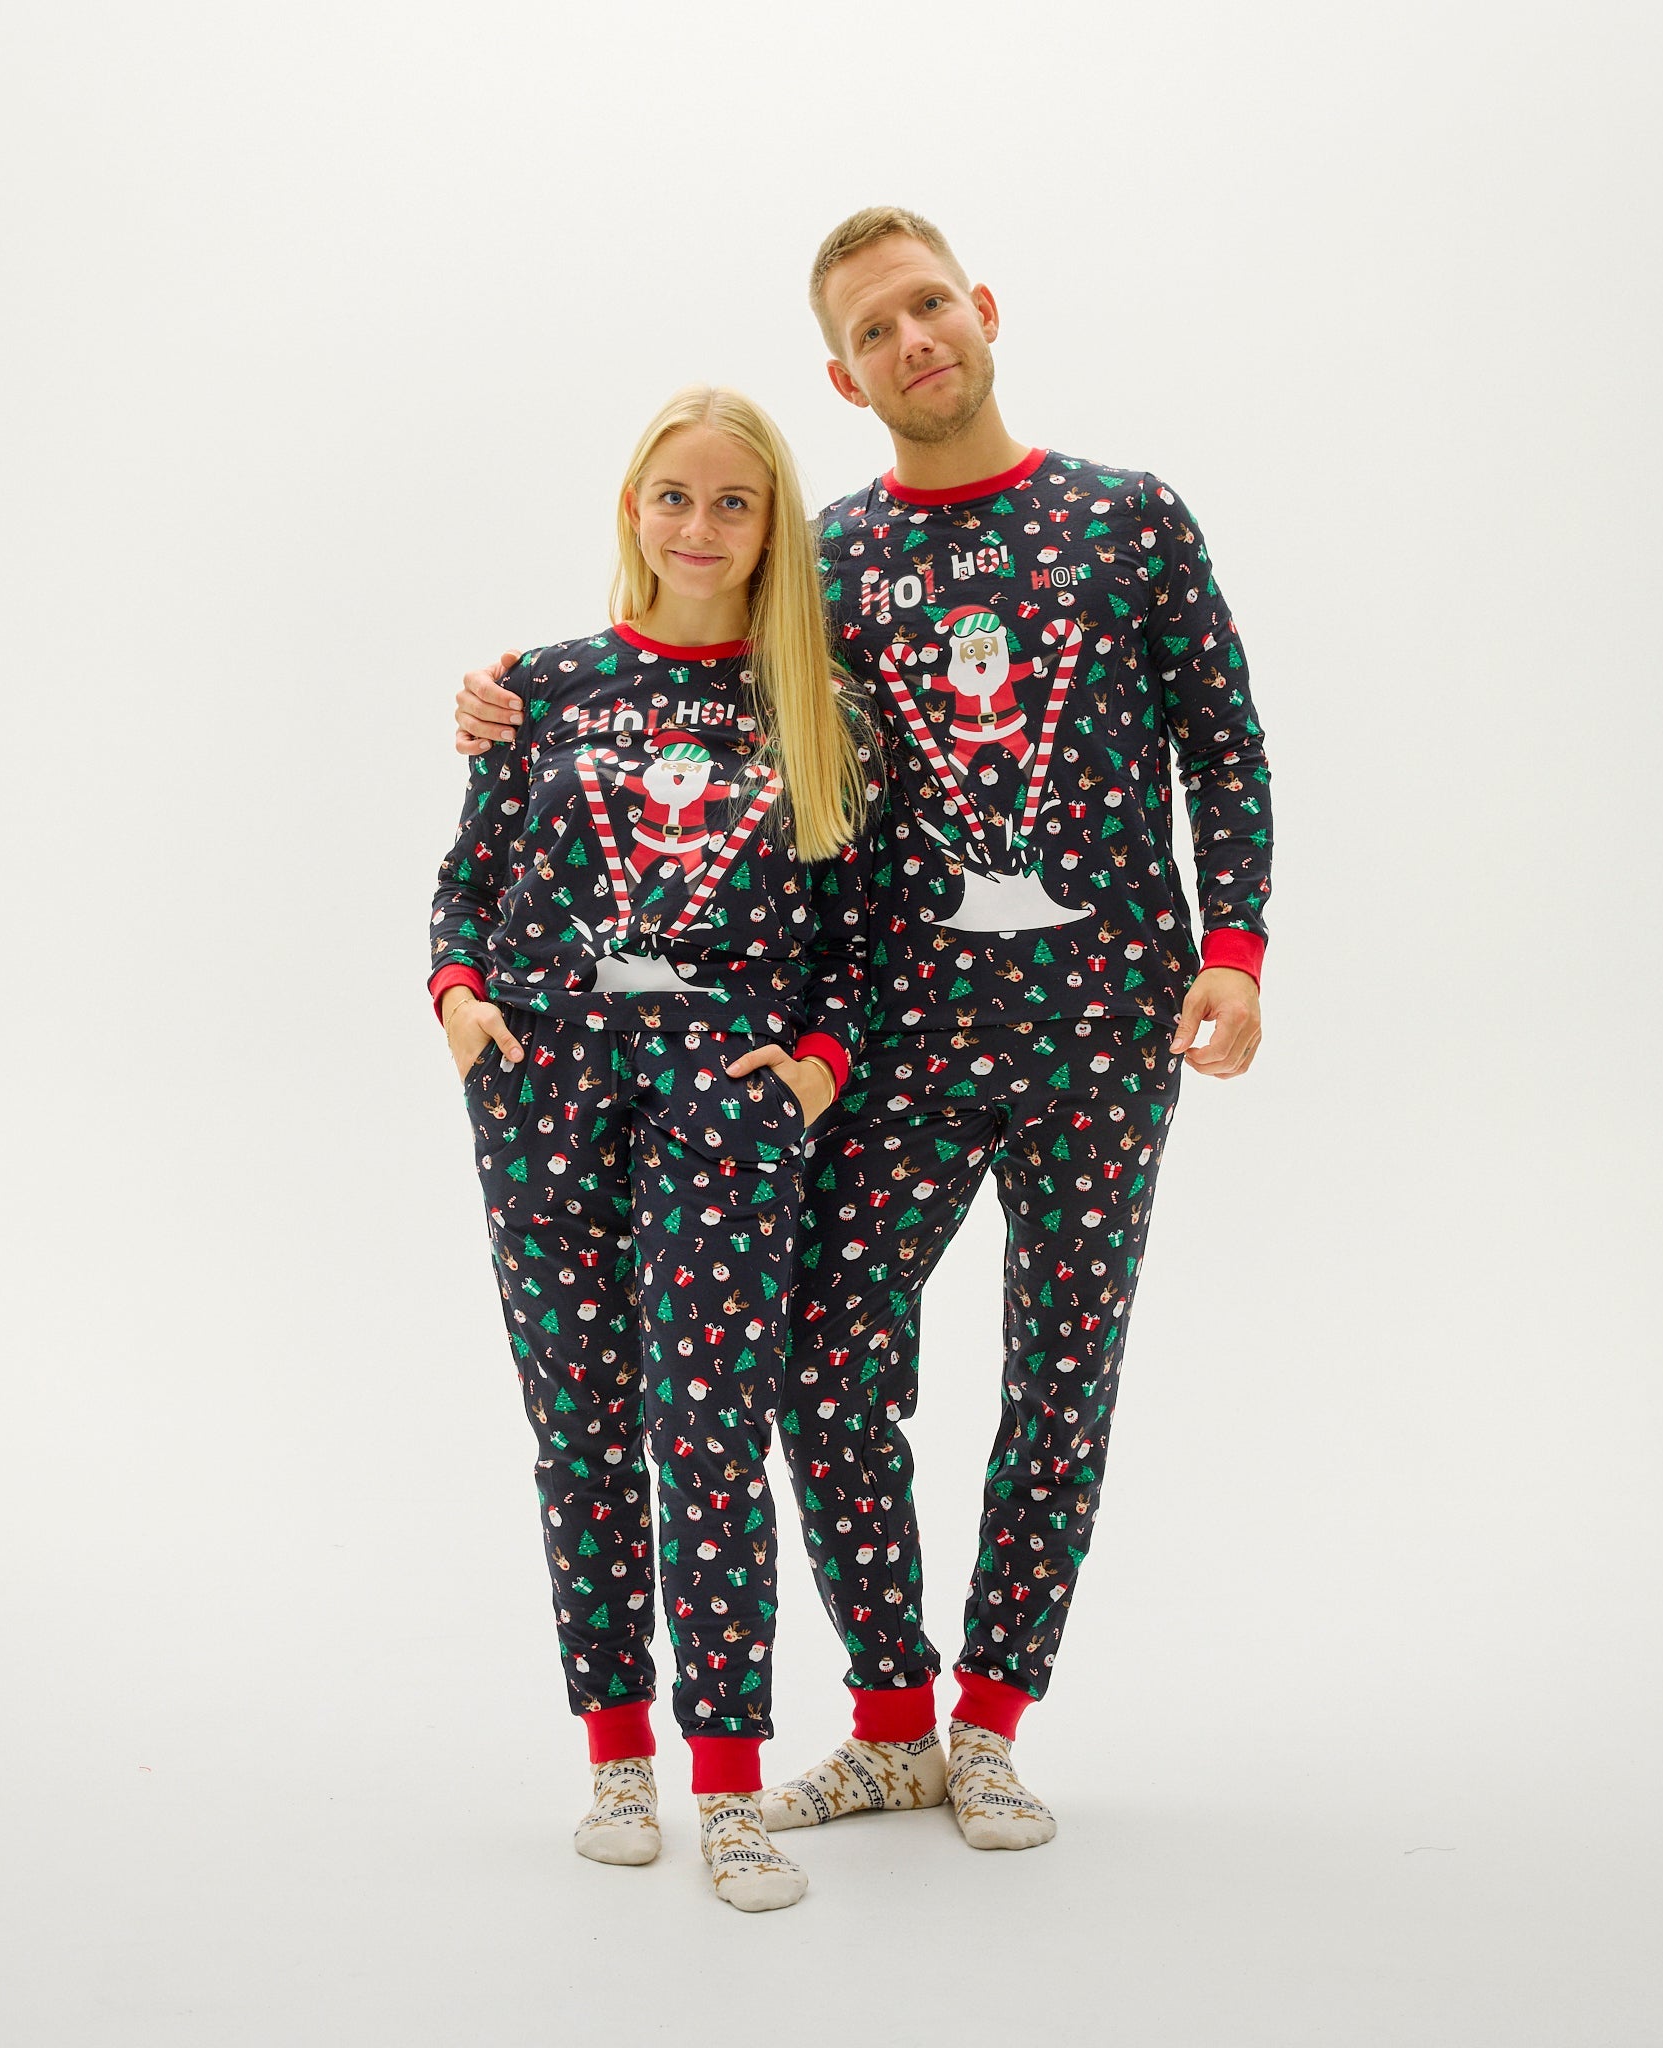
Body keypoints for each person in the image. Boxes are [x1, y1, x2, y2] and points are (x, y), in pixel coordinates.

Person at [452, 207, 1273, 1855]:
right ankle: (893, 1719)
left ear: (981, 308)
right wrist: (511, 706)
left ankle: (991, 1726)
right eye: (872, 332)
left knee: (1061, 1377)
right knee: (818, 1366)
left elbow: (1223, 740)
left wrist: (1235, 948)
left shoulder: (1128, 519)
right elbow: (686, 682)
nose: (912, 343)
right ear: (844, 379)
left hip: (1108, 1036)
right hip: (889, 1044)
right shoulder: (819, 565)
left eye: (926, 306)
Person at [429, 385, 874, 1911]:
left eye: (734, 500)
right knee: (582, 1431)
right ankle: (617, 1756)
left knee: (712, 1439)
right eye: (673, 495)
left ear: (772, 526)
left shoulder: (813, 704)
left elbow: (857, 937)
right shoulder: (542, 687)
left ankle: (731, 1786)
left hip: (725, 1117)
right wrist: (462, 1000)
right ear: (635, 509)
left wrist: (810, 1074)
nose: (700, 524)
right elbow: (468, 878)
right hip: (542, 1101)